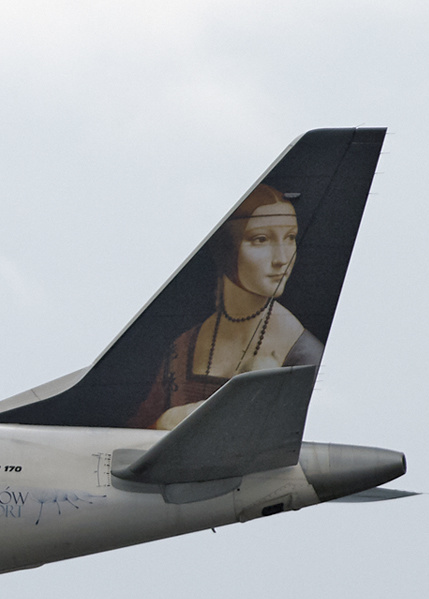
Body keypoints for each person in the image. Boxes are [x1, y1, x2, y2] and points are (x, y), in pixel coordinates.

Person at [131, 183, 323, 429]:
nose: (282, 259)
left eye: (290, 238)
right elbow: (133, 436)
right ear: (226, 248)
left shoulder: (303, 356)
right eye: (261, 240)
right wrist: (165, 421)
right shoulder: (183, 346)